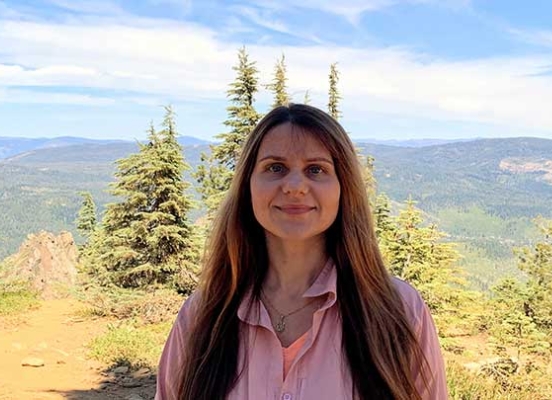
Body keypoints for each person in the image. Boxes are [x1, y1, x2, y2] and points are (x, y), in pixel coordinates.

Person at [155, 103, 448, 400]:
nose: (295, 186)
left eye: (316, 169)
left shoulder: (399, 311)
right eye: (275, 167)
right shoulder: (201, 317)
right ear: (248, 186)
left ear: (342, 187)